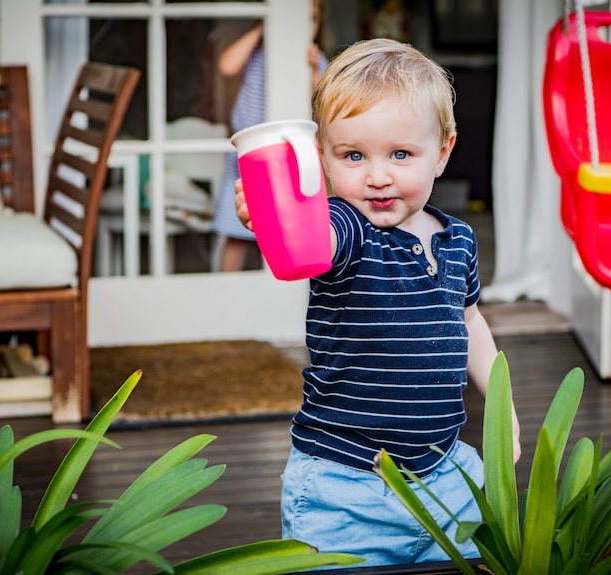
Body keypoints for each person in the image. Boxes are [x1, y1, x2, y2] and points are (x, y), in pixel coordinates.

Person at [234, 38, 522, 567]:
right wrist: (271, 211)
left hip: (446, 481)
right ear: (324, 158)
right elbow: (314, 239)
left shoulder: (459, 239)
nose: (378, 175)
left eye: (400, 154)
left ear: (442, 152)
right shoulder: (350, 227)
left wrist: (501, 404)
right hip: (345, 491)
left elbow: (471, 323)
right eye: (353, 156)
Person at [212, 0, 327, 272]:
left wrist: (313, 70)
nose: (304, 26)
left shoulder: (315, 59)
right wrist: (262, 27)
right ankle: (226, 292)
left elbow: (326, 99)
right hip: (248, 155)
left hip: (292, 156)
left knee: (289, 227)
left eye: (312, 19)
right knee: (236, 232)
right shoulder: (259, 50)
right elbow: (227, 66)